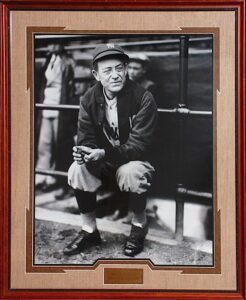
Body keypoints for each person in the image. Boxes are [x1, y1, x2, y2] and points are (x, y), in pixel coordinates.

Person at [64, 43, 158, 257]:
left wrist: (103, 153)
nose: (115, 75)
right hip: (104, 160)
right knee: (77, 168)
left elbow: (139, 146)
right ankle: (89, 230)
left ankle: (139, 225)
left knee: (131, 172)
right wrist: (84, 151)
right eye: (107, 71)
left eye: (119, 68)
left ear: (126, 69)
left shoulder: (143, 97)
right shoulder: (88, 98)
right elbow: (86, 136)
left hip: (137, 161)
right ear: (96, 75)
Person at [35, 43, 75, 197]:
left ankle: (53, 178)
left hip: (60, 106)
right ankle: (41, 175)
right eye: (50, 43)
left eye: (55, 43)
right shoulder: (48, 60)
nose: (51, 46)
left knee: (58, 143)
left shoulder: (68, 62)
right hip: (46, 105)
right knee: (44, 144)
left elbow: (71, 87)